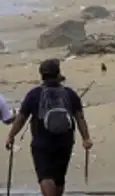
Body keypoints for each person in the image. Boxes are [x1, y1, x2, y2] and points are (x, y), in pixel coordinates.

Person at [5, 59, 92, 196]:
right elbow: (80, 117)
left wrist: (11, 135)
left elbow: (21, 118)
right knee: (59, 178)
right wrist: (86, 138)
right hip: (65, 140)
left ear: (41, 75)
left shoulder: (34, 94)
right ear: (58, 73)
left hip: (42, 141)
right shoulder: (70, 94)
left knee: (45, 175)